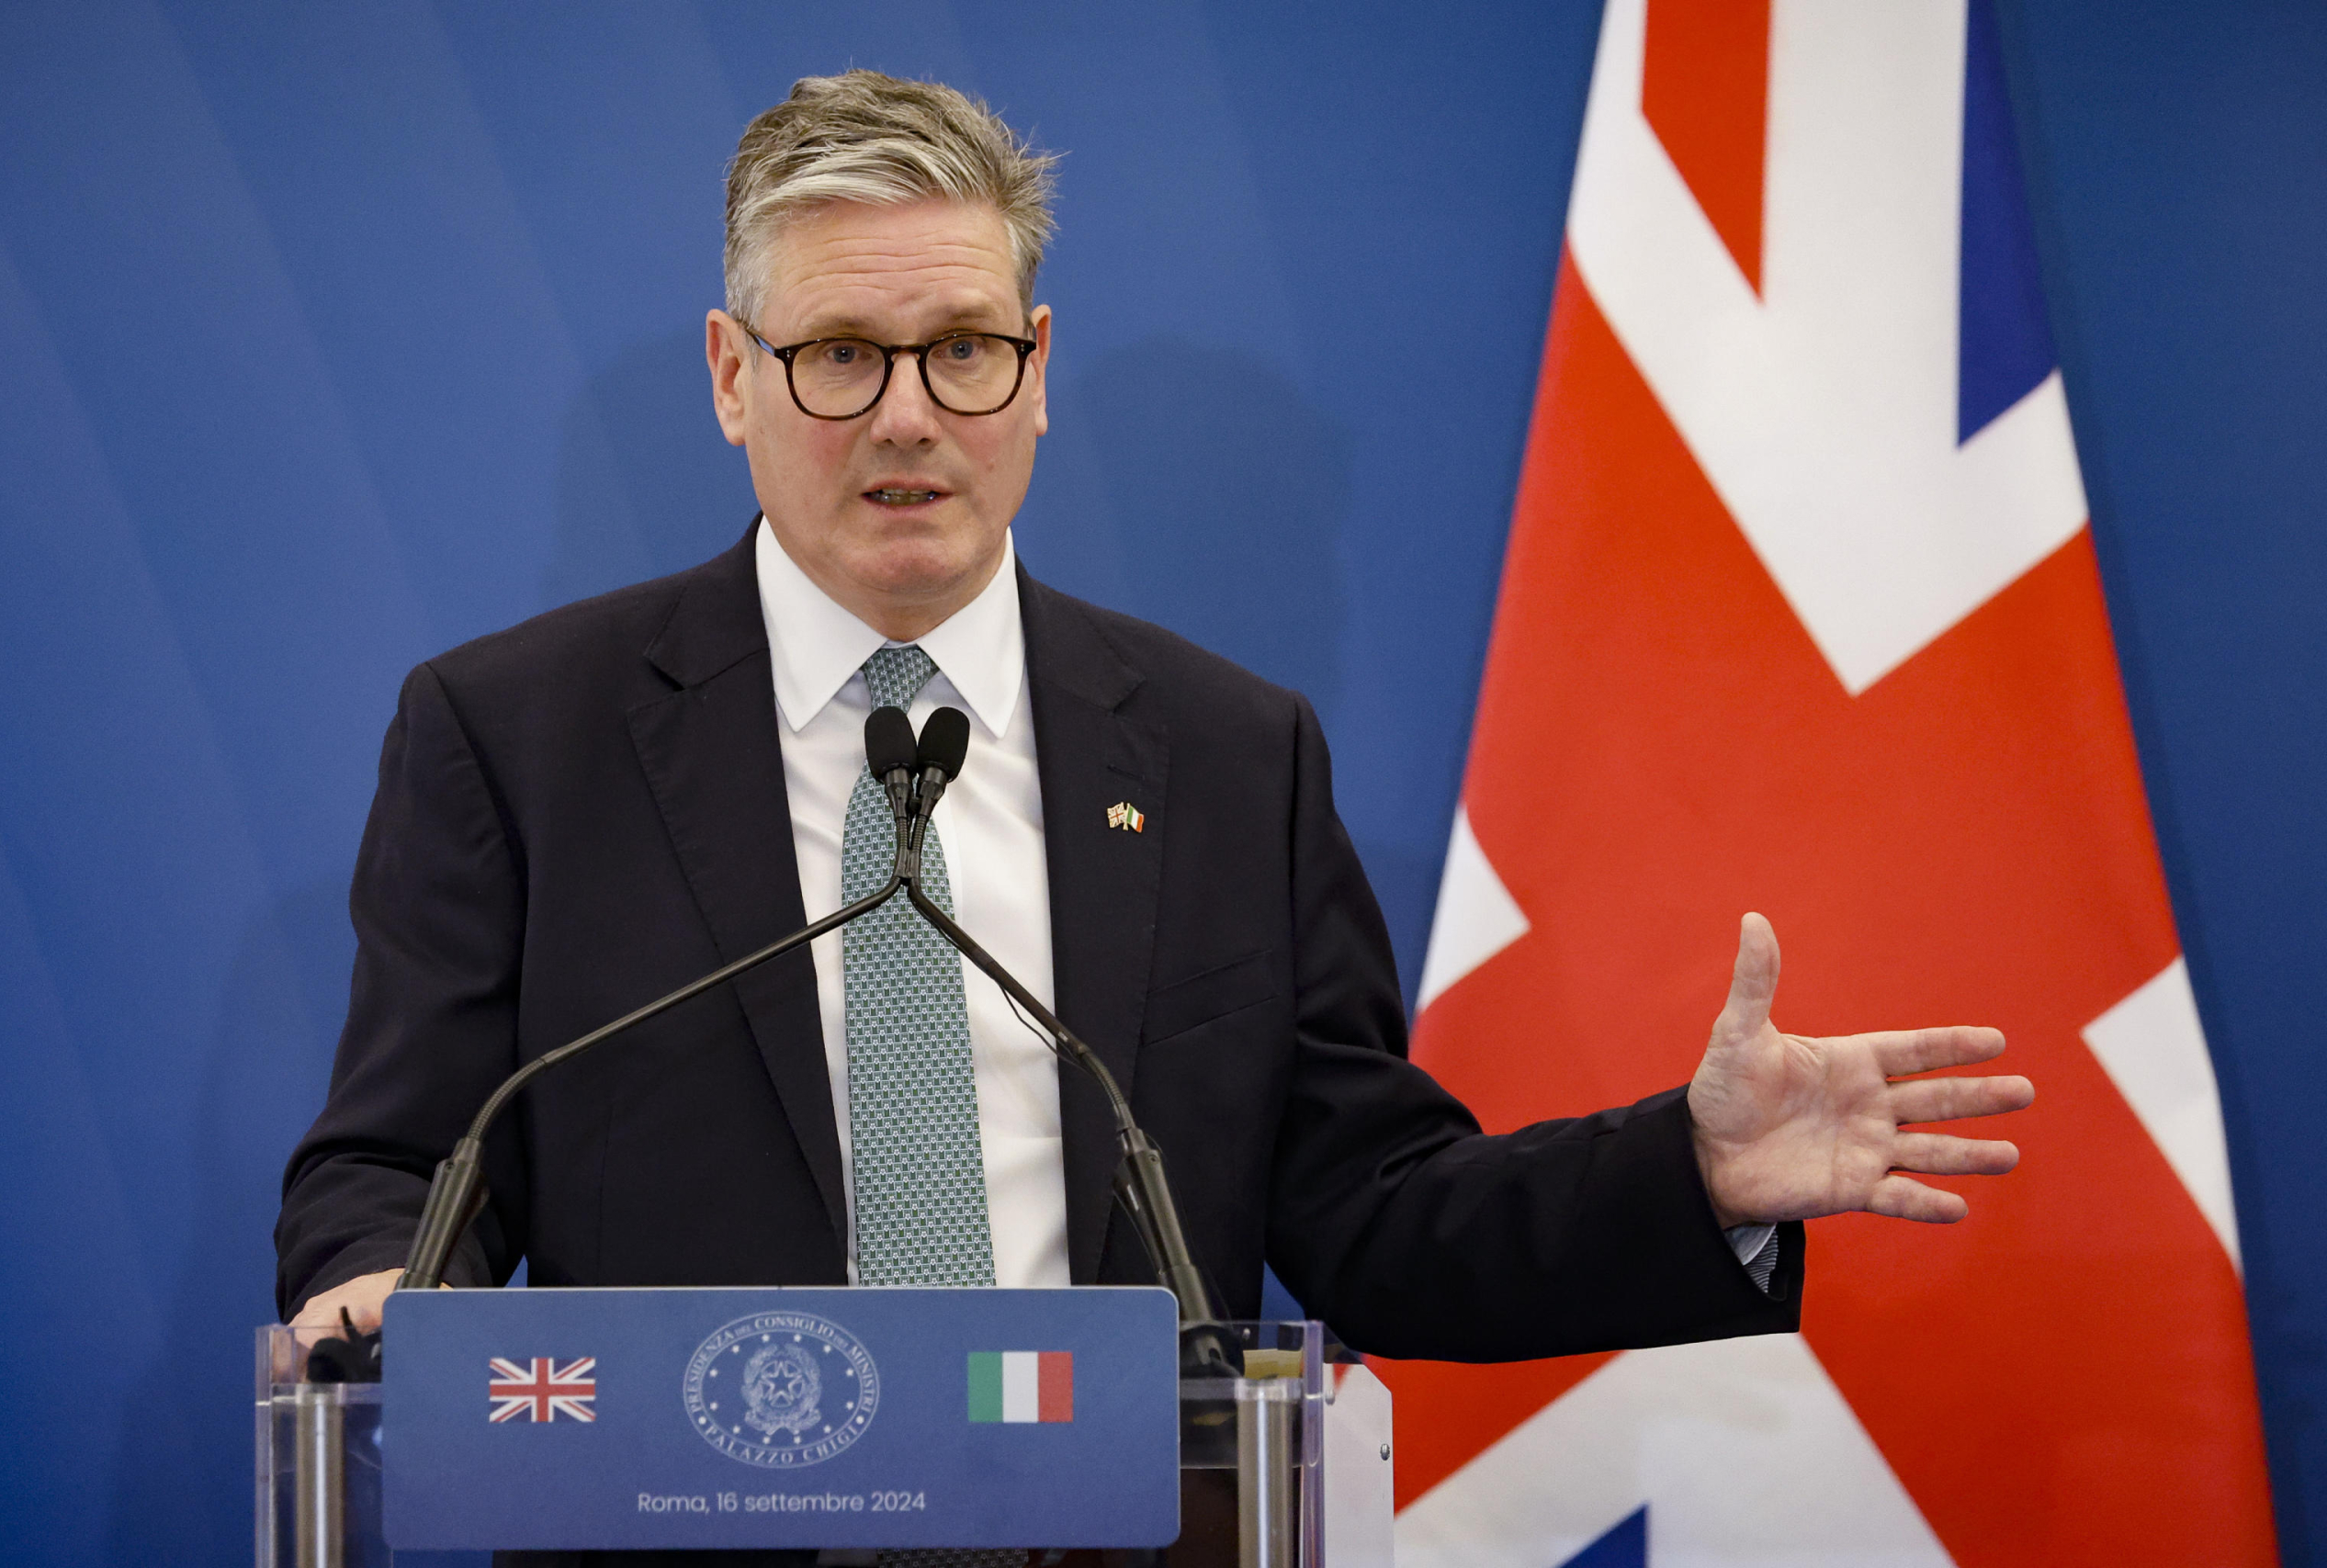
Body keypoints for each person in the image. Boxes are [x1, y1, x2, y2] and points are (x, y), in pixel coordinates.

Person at [279, 67, 2028, 1401]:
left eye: (962, 349)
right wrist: (373, 1287)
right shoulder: (520, 736)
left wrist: (1692, 1176)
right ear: (734, 376)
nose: (908, 415)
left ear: (1036, 368)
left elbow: (1368, 1214)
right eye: (839, 356)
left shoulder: (1222, 751)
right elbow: (399, 1162)